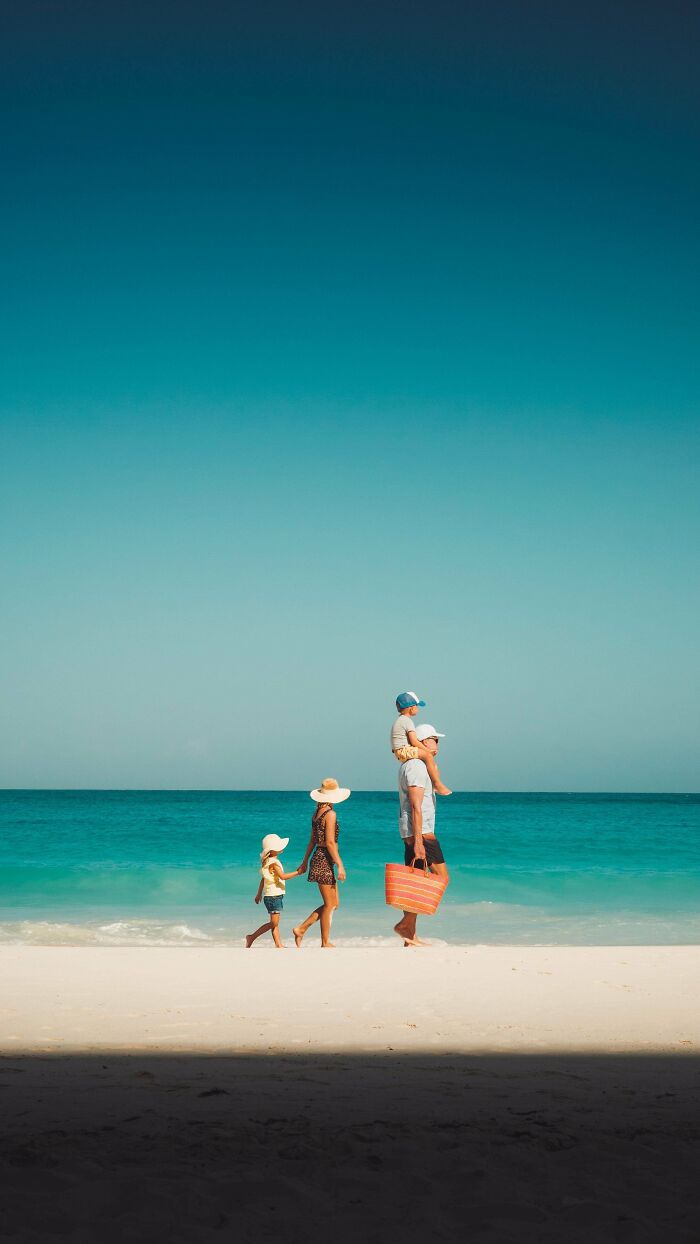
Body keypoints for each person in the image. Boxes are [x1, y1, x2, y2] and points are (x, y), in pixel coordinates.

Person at [393, 724, 450, 947]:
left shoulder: (417, 764)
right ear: (425, 741)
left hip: (416, 831)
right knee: (441, 878)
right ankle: (405, 924)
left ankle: (409, 936)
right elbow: (415, 805)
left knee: (415, 882)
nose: (438, 745)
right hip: (422, 833)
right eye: (436, 739)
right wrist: (418, 841)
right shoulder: (416, 766)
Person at [293, 778, 350, 949]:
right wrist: (340, 864)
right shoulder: (330, 814)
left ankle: (302, 929)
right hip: (324, 859)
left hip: (319, 858)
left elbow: (312, 840)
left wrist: (305, 862)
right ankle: (323, 941)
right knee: (330, 904)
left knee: (334, 903)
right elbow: (330, 842)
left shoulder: (317, 813)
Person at [245, 833, 306, 949]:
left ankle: (278, 945)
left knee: (274, 923)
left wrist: (258, 894)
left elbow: (263, 879)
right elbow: (283, 876)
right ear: (273, 850)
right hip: (274, 896)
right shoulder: (273, 863)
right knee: (274, 923)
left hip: (269, 896)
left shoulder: (267, 862)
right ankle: (251, 937)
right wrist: (298, 872)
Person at [391, 691, 452, 795]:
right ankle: (437, 784)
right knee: (428, 756)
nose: (418, 709)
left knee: (428, 757)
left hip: (400, 751)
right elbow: (414, 741)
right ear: (411, 707)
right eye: (417, 706)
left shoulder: (400, 720)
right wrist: (427, 750)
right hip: (403, 750)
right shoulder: (407, 721)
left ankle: (435, 783)